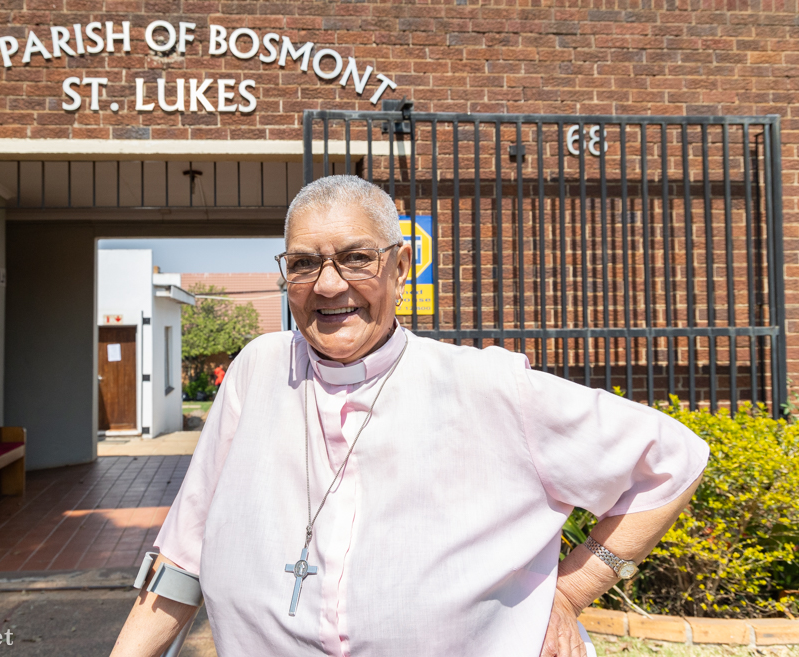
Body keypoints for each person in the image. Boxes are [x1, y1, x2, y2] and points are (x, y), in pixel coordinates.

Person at [111, 175, 708, 657]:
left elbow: (671, 460)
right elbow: (183, 558)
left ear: (400, 268)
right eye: (303, 264)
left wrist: (574, 591)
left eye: (355, 259)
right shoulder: (257, 370)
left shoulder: (485, 385)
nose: (328, 284)